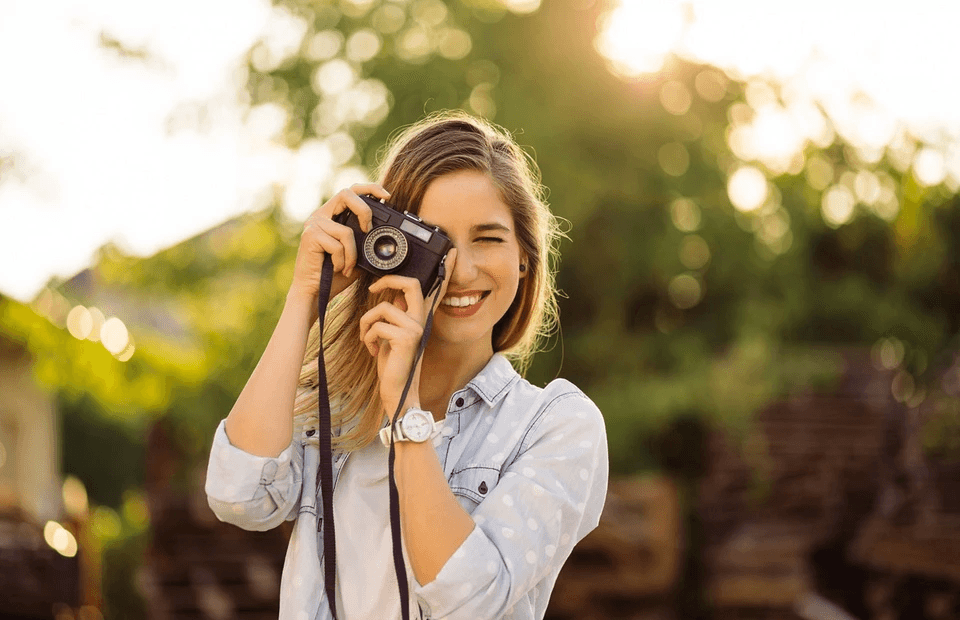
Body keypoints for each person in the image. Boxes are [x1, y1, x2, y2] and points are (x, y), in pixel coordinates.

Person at [205, 111, 608, 620]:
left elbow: (469, 597)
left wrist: (405, 414)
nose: (460, 270)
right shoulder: (339, 408)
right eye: (435, 241)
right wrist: (306, 295)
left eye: (488, 238)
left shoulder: (555, 425)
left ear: (524, 258)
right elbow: (238, 495)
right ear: (388, 247)